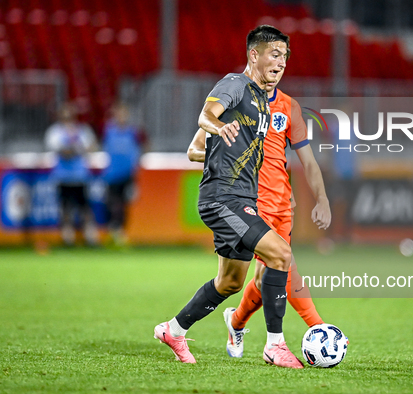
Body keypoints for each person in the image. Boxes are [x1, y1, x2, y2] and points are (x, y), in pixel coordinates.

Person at [154, 25, 303, 368]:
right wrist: (219, 127)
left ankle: (173, 330)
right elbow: (205, 116)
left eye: (285, 57)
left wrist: (223, 149)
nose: (281, 63)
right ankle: (275, 346)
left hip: (241, 199)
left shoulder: (263, 104)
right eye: (275, 54)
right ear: (254, 55)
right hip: (223, 199)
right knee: (280, 255)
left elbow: (194, 150)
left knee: (231, 282)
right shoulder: (235, 85)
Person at [187, 67, 331, 359]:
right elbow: (194, 150)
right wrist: (234, 152)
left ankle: (236, 321)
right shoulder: (234, 101)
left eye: (282, 58)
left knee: (264, 277)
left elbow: (309, 160)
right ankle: (317, 329)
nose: (275, 66)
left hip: (282, 206)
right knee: (283, 265)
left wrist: (322, 198)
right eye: (271, 56)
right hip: (248, 201)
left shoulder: (289, 107)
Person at [45, 102, 98, 246]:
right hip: (63, 176)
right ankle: (67, 237)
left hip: (80, 176)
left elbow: (92, 146)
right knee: (65, 208)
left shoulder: (82, 130)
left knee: (85, 208)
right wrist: (78, 149)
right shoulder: (55, 131)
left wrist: (74, 149)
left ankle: (90, 237)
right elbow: (63, 152)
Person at [101, 102, 146, 245]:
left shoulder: (132, 132)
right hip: (112, 174)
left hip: (128, 175)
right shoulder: (109, 130)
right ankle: (113, 231)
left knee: (124, 205)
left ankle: (120, 232)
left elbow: (142, 147)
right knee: (112, 203)